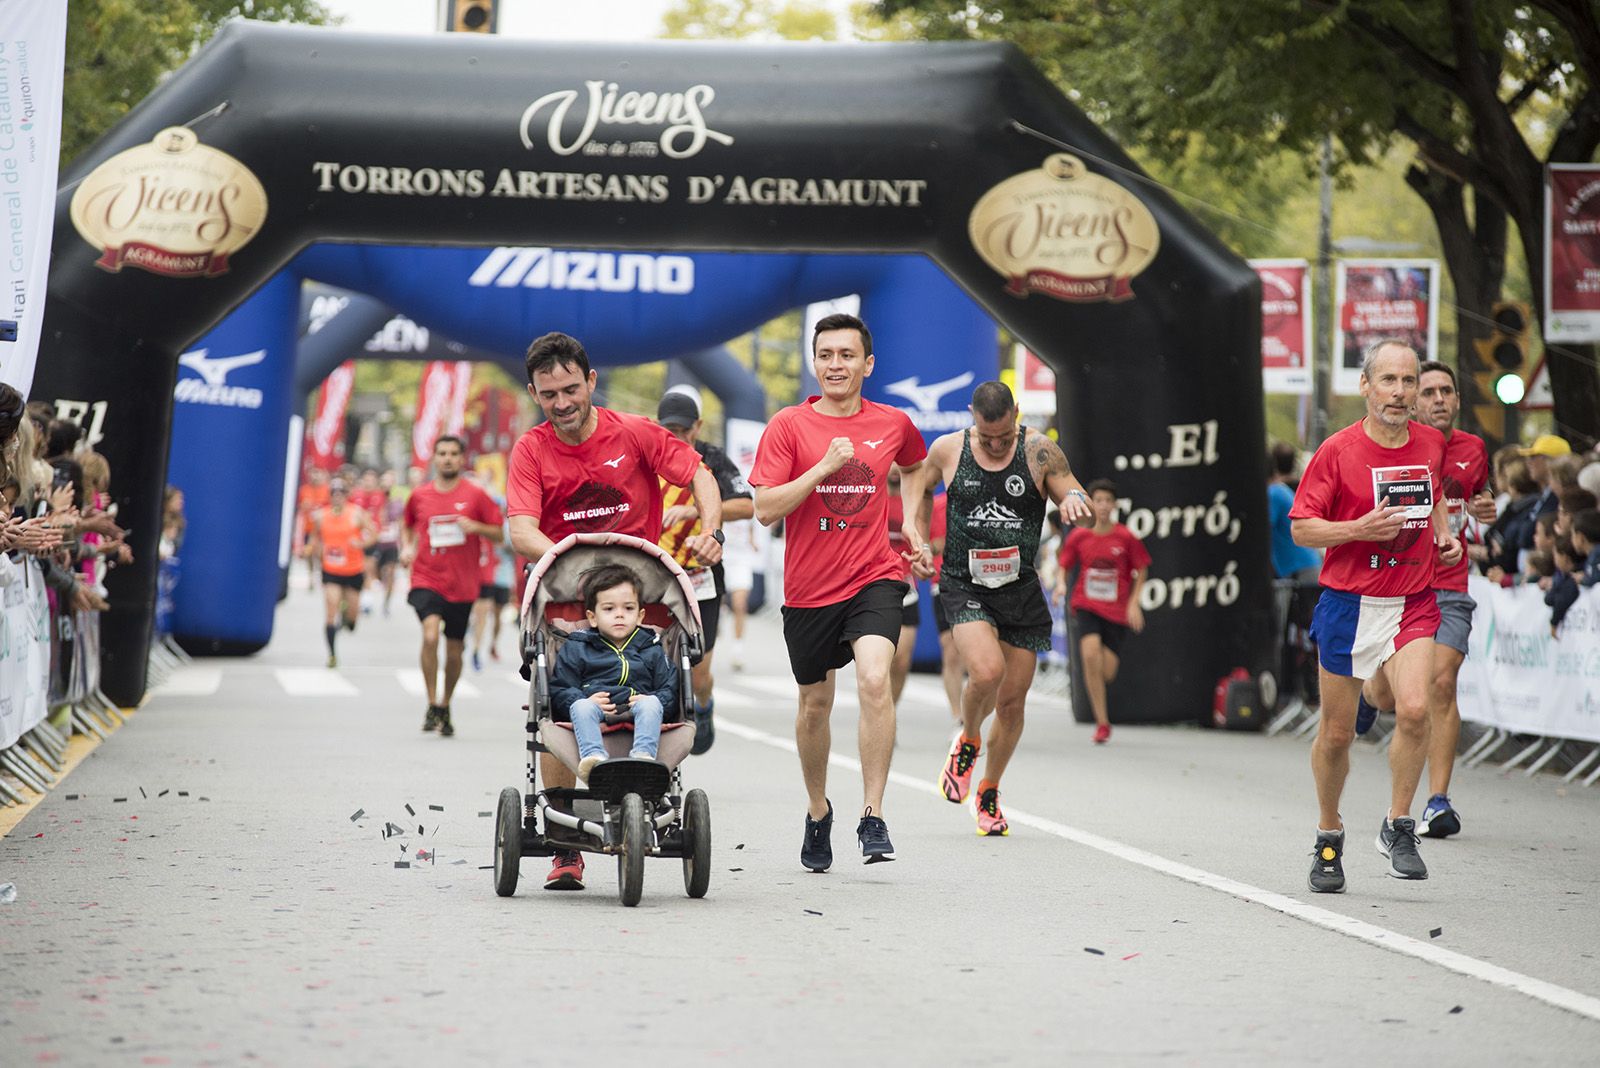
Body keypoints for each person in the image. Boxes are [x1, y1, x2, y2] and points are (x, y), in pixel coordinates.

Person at [506, 331, 721, 891]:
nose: (562, 403)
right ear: (534, 392)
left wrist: (711, 528)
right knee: (558, 703)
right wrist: (562, 555)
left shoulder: (636, 434)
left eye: (571, 389)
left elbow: (698, 473)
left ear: (591, 382)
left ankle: (647, 791)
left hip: (639, 601)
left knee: (658, 692)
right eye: (549, 394)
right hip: (565, 605)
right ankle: (564, 845)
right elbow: (522, 528)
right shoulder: (531, 450)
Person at [749, 312, 927, 870]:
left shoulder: (891, 422)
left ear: (867, 364)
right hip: (808, 589)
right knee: (814, 705)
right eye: (826, 355)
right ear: (814, 361)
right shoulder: (788, 426)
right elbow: (763, 509)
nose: (835, 365)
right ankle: (818, 809)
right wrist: (821, 469)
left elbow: (917, 465)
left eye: (846, 355)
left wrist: (913, 523)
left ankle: (872, 814)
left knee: (876, 679)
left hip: (874, 574)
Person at [1289, 339, 1460, 893]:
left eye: (1408, 382)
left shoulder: (1431, 443)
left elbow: (1432, 494)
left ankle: (1399, 824)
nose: (1400, 393)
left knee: (1415, 709)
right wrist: (1358, 529)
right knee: (1337, 735)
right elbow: (1302, 527)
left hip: (1412, 599)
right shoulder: (1337, 451)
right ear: (1365, 387)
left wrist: (1445, 536)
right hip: (1348, 604)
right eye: (1388, 381)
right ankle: (1328, 834)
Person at [902, 382, 1092, 836]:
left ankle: (988, 790)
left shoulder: (1040, 452)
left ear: (1017, 416)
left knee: (1010, 704)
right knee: (986, 672)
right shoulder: (949, 449)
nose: (994, 445)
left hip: (1021, 588)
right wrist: (918, 535)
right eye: (986, 438)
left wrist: (1074, 502)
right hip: (964, 582)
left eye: (1003, 437)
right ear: (973, 418)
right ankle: (967, 739)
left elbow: (1074, 492)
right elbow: (920, 486)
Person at [1352, 360, 1495, 841]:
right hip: (1401, 582)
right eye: (1427, 390)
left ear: (1456, 400)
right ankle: (1370, 694)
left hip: (1449, 584)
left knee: (1441, 681)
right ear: (1414, 400)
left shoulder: (1473, 449)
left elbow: (1477, 496)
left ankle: (1437, 801)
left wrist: (1485, 506)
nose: (1436, 399)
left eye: (1445, 391)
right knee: (1394, 696)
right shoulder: (1400, 443)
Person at [656, 386, 755, 754]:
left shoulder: (712, 459)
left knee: (699, 671)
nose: (676, 437)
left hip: (702, 575)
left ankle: (704, 703)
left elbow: (746, 506)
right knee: (656, 663)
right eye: (669, 430)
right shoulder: (650, 456)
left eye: (683, 430)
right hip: (658, 573)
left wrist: (696, 511)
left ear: (697, 426)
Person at [400, 435, 503, 737]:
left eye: (453, 454)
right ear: (434, 458)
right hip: (426, 577)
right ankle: (431, 701)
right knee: (430, 635)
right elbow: (406, 525)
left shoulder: (476, 495)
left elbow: (499, 533)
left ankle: (445, 704)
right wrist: (407, 547)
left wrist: (477, 527)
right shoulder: (420, 495)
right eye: (442, 453)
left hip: (462, 584)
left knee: (455, 649)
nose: (447, 458)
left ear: (462, 459)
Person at [549, 564, 677, 788]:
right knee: (580, 707)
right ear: (592, 617)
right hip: (595, 707)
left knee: (652, 703)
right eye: (609, 609)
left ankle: (643, 757)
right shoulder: (578, 647)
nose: (619, 614)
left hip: (639, 706)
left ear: (640, 616)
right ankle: (594, 759)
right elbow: (561, 687)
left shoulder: (651, 647)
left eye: (628, 608)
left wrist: (656, 701)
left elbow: (670, 686)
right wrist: (581, 699)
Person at [1054, 479, 1150, 745]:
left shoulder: (1126, 537)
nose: (1104, 506)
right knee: (1089, 652)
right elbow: (1065, 564)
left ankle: (1101, 711)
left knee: (1106, 671)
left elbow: (1142, 568)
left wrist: (1134, 602)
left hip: (1116, 611)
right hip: (1086, 605)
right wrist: (1061, 584)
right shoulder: (1079, 535)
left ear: (1115, 505)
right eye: (1099, 501)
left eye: (1108, 501)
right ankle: (1102, 722)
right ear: (1091, 504)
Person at [306, 479, 376, 667]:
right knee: (330, 611)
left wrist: (361, 543)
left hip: (353, 570)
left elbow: (373, 533)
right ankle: (332, 655)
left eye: (341, 493)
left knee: (352, 620)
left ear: (347, 495)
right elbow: (315, 538)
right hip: (331, 570)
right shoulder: (321, 516)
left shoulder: (356, 514)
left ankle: (348, 619)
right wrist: (312, 549)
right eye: (334, 493)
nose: (337, 497)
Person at [1268, 442, 1320, 583]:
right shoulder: (1283, 489)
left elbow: (1262, 531)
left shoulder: (1274, 493)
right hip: (1307, 564)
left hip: (1298, 569)